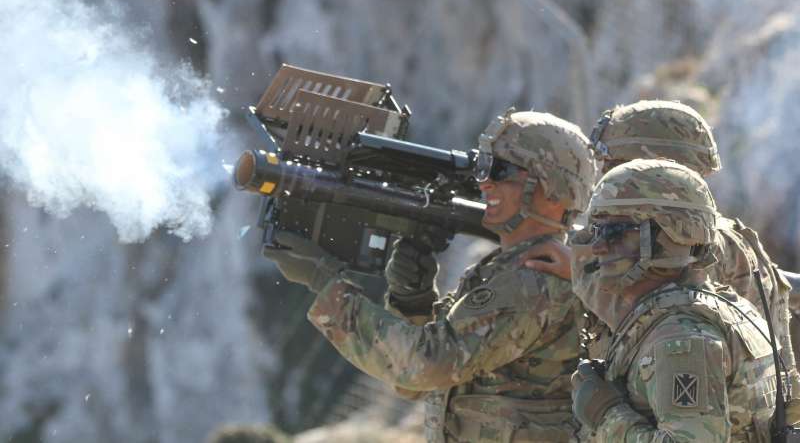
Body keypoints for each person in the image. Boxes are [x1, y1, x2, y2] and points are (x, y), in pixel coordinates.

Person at [263, 109, 598, 442]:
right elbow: (418, 382)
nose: (484, 181)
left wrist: (326, 282)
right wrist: (413, 299)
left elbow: (427, 364)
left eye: (500, 170)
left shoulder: (534, 277)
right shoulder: (501, 269)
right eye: (482, 168)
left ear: (551, 188)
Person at [570, 159, 778, 442]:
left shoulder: (682, 338)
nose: (598, 246)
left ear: (672, 234)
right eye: (596, 230)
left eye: (615, 232)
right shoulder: (724, 307)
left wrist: (605, 414)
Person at [587, 100, 798, 376]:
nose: (604, 177)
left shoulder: (691, 245)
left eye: (613, 165)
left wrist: (572, 265)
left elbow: (625, 312)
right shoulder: (709, 234)